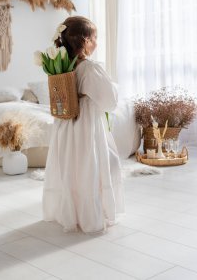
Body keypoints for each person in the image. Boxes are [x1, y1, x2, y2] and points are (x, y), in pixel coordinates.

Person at [42, 16, 124, 233]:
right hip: (87, 126)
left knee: (73, 168)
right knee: (94, 166)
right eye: (95, 37)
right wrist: (113, 85)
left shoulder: (61, 68)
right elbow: (110, 101)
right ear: (86, 40)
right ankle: (91, 214)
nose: (96, 42)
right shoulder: (89, 68)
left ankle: (70, 213)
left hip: (66, 126)